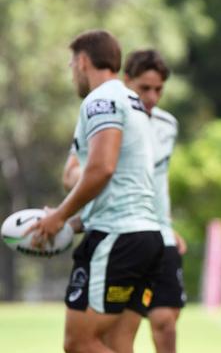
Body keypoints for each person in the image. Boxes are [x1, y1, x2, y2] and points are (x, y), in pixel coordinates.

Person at [27, 30, 163, 353]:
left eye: (72, 63)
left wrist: (60, 215)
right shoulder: (132, 102)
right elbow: (121, 185)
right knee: (115, 343)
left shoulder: (101, 100)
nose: (72, 71)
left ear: (83, 60)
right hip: (146, 238)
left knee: (79, 343)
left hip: (117, 239)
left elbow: (102, 169)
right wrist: (74, 222)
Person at [62, 50, 186, 353]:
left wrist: (164, 220)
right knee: (113, 340)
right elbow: (76, 172)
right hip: (121, 230)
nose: (153, 97)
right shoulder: (108, 112)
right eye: (145, 88)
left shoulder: (166, 125)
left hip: (150, 233)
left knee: (164, 322)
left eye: (159, 90)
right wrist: (76, 216)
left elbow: (150, 181)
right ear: (126, 80)